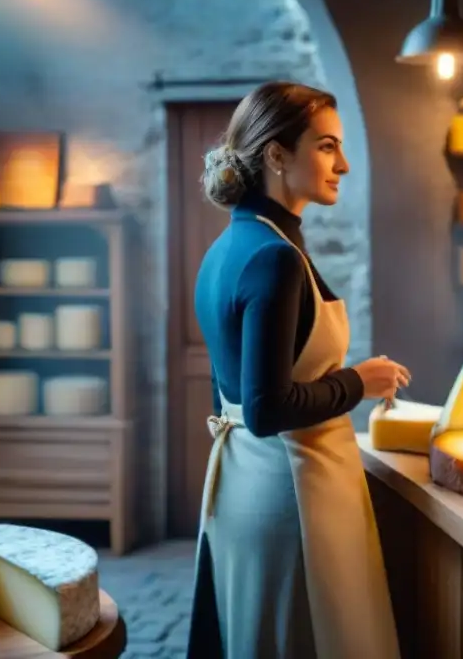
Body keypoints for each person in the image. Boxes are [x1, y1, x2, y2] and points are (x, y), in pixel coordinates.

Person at [186, 81, 409, 659]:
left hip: (241, 486)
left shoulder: (225, 250)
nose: (345, 165)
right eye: (327, 146)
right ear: (276, 156)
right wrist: (361, 381)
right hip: (292, 497)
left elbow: (230, 396)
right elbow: (266, 410)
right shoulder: (274, 259)